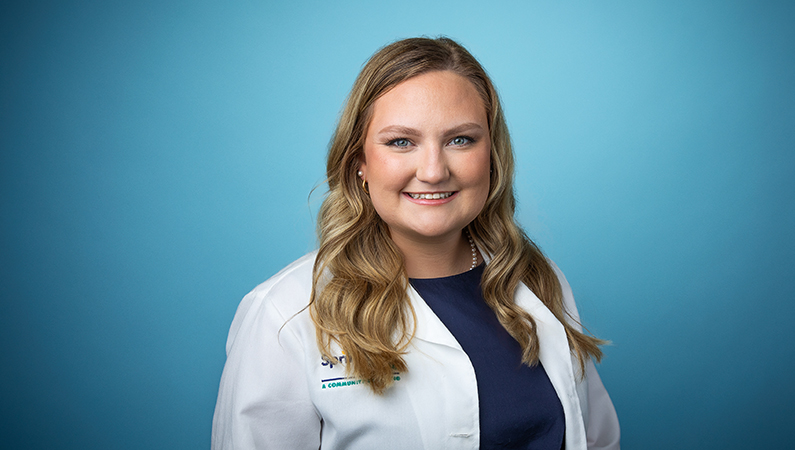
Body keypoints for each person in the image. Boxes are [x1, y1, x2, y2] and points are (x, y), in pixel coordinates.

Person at [212, 37, 620, 450]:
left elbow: (598, 440)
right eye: (401, 142)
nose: (432, 171)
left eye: (460, 139)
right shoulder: (284, 314)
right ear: (359, 163)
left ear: (492, 156)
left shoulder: (538, 280)